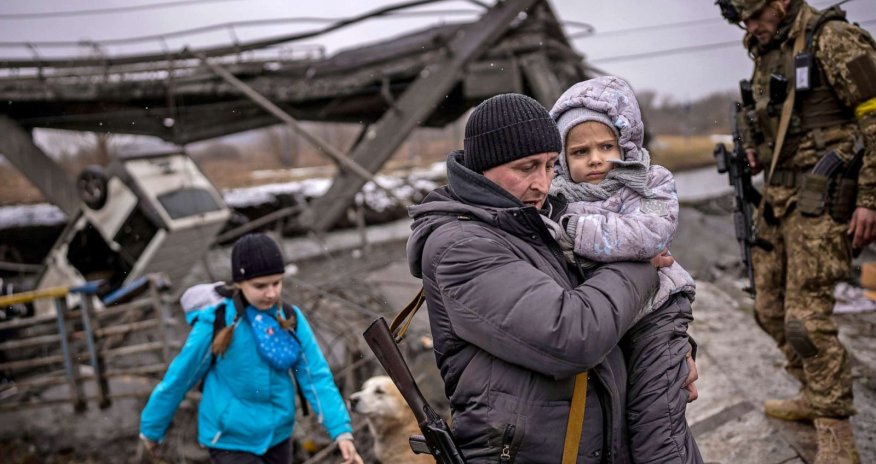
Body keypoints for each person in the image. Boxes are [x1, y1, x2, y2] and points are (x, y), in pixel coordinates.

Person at [405, 93, 698, 463]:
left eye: (550, 165)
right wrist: (642, 260)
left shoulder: (537, 219)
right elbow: (573, 334)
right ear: (483, 167)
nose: (542, 184)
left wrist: (669, 350)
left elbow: (610, 308)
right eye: (527, 167)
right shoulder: (461, 246)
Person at [718, 0, 876, 462]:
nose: (749, 28)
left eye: (754, 17)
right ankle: (814, 392)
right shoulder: (767, 48)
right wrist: (752, 148)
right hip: (779, 199)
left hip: (825, 199)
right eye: (743, 21)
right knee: (768, 308)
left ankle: (836, 434)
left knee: (805, 320)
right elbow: (768, 118)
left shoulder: (833, 39)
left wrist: (870, 199)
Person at [547, 75, 702, 464]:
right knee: (618, 433)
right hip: (609, 322)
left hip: (656, 315)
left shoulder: (649, 184)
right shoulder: (556, 198)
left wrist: (575, 233)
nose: (596, 159)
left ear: (624, 145)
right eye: (580, 152)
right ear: (563, 159)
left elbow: (647, 235)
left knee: (657, 425)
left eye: (606, 147)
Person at [139, 233, 363, 464]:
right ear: (239, 283)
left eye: (276, 282)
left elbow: (315, 377)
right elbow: (180, 376)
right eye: (260, 286)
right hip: (229, 439)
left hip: (278, 436)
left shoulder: (289, 318)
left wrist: (341, 432)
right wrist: (152, 427)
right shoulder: (218, 321)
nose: (271, 293)